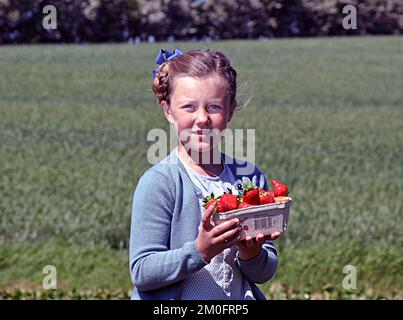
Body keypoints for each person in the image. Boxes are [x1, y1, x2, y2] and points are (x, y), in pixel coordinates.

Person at [129, 48, 281, 300]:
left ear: (230, 111)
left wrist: (251, 253)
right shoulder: (159, 182)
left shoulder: (249, 179)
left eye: (213, 107)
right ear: (167, 110)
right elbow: (142, 272)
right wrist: (200, 251)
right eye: (189, 106)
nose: (202, 118)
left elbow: (263, 273)